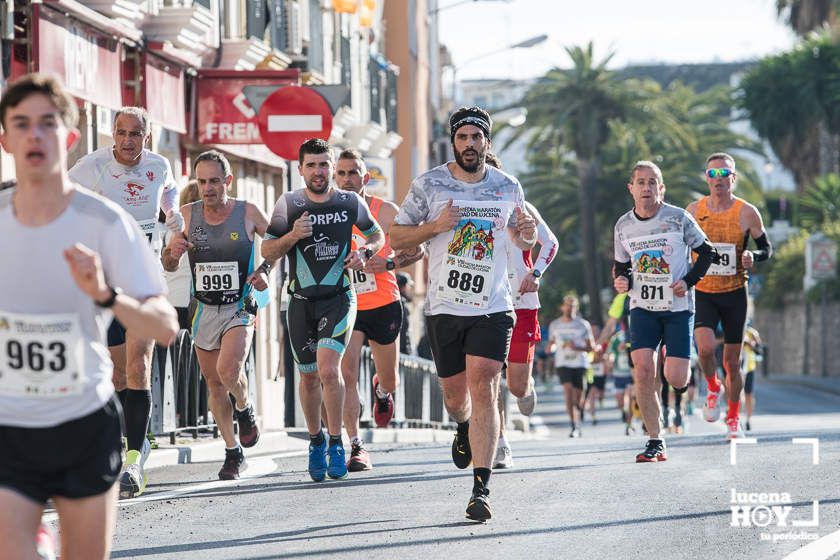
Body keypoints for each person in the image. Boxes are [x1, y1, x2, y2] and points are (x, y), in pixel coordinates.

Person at [0, 73, 178, 560]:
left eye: (47, 124)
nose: (35, 135)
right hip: (10, 424)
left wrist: (106, 294)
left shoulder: (104, 222)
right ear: (5, 138)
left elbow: (165, 326)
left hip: (82, 423)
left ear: (70, 137)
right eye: (21, 124)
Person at [390, 106, 536, 522]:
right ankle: (461, 426)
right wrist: (434, 226)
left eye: (477, 137)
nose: (470, 144)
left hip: (493, 306)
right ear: (454, 142)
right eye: (463, 137)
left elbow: (520, 236)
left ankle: (481, 489)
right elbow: (397, 235)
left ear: (487, 143)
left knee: (485, 383)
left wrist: (524, 234)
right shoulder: (430, 184)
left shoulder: (508, 186)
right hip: (444, 308)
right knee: (456, 398)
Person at [68, 106, 184, 498]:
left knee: (139, 365)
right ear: (112, 135)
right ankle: (122, 445)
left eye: (136, 134)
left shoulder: (159, 166)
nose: (128, 140)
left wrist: (174, 220)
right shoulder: (91, 167)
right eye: (121, 133)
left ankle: (134, 459)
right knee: (117, 376)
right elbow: (62, 197)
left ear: (146, 137)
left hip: (143, 279)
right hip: (105, 283)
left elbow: (169, 194)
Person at [262, 138, 384, 482]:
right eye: (311, 165)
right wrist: (293, 236)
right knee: (309, 376)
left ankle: (336, 441)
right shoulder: (289, 203)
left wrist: (364, 253)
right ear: (300, 169)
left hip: (339, 296)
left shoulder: (349, 201)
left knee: (330, 369)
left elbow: (376, 236)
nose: (319, 171)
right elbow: (268, 249)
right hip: (300, 302)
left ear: (332, 167)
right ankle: (315, 440)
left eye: (324, 165)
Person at [162, 150, 269, 480]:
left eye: (214, 181)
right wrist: (172, 252)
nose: (208, 188)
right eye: (202, 181)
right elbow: (167, 264)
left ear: (228, 181)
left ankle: (245, 406)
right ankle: (232, 450)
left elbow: (279, 242)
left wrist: (266, 268)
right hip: (204, 309)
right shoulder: (186, 215)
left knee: (228, 369)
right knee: (215, 383)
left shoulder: (248, 212)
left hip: (239, 305)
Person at [613, 160, 715, 462]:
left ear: (661, 187)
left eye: (652, 182)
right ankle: (655, 440)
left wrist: (689, 280)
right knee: (643, 369)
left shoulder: (678, 218)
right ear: (631, 188)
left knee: (676, 378)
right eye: (641, 182)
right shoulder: (623, 225)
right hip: (641, 306)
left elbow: (707, 252)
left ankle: (683, 367)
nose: (647, 187)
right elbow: (622, 265)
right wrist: (622, 280)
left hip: (678, 307)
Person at [334, 148, 424, 471]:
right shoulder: (328, 214)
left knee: (390, 377)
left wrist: (388, 262)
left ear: (365, 178)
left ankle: (382, 391)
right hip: (347, 304)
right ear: (334, 176)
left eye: (353, 173)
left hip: (384, 303)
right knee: (346, 373)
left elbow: (418, 249)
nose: (346, 179)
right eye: (341, 173)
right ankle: (356, 445)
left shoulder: (384, 212)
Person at [686, 152, 771, 439]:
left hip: (735, 293)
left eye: (724, 174)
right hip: (704, 292)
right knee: (706, 349)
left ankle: (733, 417)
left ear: (733, 178)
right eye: (713, 174)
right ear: (707, 178)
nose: (718, 179)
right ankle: (712, 386)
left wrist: (752, 256)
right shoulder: (694, 211)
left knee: (733, 363)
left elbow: (767, 248)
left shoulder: (747, 212)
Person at [484, 152, 558, 470]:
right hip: (484, 304)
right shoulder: (467, 210)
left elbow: (550, 243)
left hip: (522, 303)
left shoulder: (522, 209)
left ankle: (526, 388)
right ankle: (500, 443)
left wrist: (536, 274)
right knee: (488, 377)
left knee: (514, 385)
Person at [547, 295, 595, 438]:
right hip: (563, 363)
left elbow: (590, 347)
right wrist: (552, 347)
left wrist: (576, 348)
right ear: (562, 307)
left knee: (579, 397)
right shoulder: (555, 325)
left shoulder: (583, 324)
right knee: (568, 392)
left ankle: (578, 415)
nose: (569, 308)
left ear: (576, 308)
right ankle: (573, 425)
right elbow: (551, 344)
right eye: (567, 305)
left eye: (572, 306)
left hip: (580, 363)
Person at [742, 323, 762, 431]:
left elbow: (759, 349)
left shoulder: (752, 333)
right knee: (738, 394)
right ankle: (737, 418)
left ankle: (748, 419)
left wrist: (751, 342)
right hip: (739, 368)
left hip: (749, 367)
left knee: (749, 394)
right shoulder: (734, 329)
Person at [397, 272, 414, 355]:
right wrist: (407, 351)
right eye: (408, 286)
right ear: (403, 287)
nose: (410, 289)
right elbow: (403, 330)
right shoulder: (401, 305)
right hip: (401, 353)